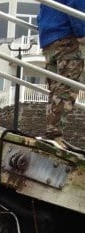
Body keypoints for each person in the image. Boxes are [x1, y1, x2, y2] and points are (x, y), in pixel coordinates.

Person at [37, 0, 85, 144]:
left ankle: (51, 132)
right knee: (67, 87)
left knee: (56, 89)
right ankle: (54, 134)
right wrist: (82, 33)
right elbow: (76, 3)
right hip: (66, 37)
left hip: (49, 37)